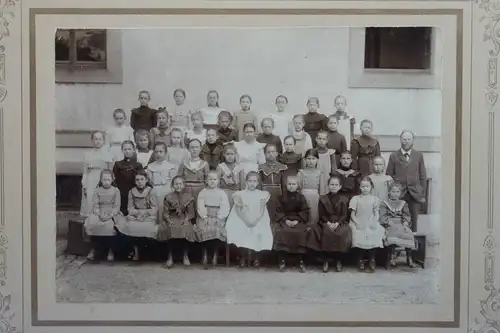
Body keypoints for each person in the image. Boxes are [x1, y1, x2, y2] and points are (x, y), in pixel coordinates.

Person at [226, 171, 273, 268]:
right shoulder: (240, 194)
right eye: (250, 181)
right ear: (246, 182)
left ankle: (256, 257)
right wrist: (246, 221)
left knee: (259, 230)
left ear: (258, 183)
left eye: (254, 181)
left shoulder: (262, 195)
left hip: (258, 218)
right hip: (242, 218)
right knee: (241, 230)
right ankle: (242, 256)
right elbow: (238, 211)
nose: (252, 183)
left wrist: (255, 221)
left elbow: (261, 211)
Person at [385, 130, 427, 232]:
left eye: (409, 139)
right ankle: (399, 243)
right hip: (399, 193)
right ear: (400, 140)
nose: (406, 141)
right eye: (404, 139)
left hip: (414, 193)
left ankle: (412, 244)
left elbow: (422, 175)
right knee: (399, 218)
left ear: (413, 141)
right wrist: (391, 193)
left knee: (413, 219)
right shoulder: (394, 155)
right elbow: (389, 176)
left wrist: (421, 192)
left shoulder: (418, 155)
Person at [116, 170, 158, 261]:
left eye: (142, 179)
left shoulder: (151, 191)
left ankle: (147, 252)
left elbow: (154, 208)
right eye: (137, 180)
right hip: (135, 215)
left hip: (148, 215)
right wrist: (136, 214)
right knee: (129, 226)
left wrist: (144, 213)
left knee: (149, 227)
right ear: (135, 181)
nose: (140, 182)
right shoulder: (131, 191)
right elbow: (130, 208)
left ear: (146, 180)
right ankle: (135, 250)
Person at [312, 176, 351, 272]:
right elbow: (321, 214)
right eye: (332, 184)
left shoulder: (344, 199)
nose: (334, 187)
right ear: (328, 186)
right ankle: (326, 260)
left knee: (342, 232)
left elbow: (344, 214)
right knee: (326, 232)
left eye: (336, 185)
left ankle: (338, 260)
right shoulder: (323, 198)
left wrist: (338, 223)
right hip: (326, 221)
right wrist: (328, 223)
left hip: (339, 221)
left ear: (340, 186)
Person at [84, 169, 124, 262]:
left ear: (112, 180)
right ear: (101, 180)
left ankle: (111, 250)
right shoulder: (97, 190)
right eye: (104, 180)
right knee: (92, 223)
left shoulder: (116, 190)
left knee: (110, 226)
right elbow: (95, 204)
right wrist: (99, 213)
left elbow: (117, 206)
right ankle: (94, 249)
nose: (106, 182)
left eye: (108, 180)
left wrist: (110, 215)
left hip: (112, 212)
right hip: (99, 211)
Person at [157, 176, 196, 268]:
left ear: (184, 185)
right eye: (176, 184)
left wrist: (186, 220)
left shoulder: (189, 197)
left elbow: (191, 212)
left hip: (184, 218)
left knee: (186, 228)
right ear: (173, 185)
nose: (178, 186)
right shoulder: (168, 197)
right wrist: (169, 220)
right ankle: (170, 257)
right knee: (171, 228)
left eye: (180, 184)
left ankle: (185, 256)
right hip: (172, 217)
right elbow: (166, 212)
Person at [273, 176, 310, 272]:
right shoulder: (281, 197)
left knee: (300, 232)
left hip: (298, 220)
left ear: (297, 185)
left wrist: (297, 220)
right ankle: (282, 259)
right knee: (283, 231)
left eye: (293, 184)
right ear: (286, 185)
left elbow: (305, 211)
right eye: (289, 184)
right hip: (285, 220)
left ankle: (300, 260)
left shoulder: (301, 197)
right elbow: (278, 211)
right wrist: (286, 220)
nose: (291, 186)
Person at [349, 177, 385, 272]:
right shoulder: (355, 199)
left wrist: (374, 222)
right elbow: (352, 214)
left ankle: (372, 259)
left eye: (367, 186)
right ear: (360, 187)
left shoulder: (375, 199)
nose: (365, 188)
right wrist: (357, 223)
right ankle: (360, 259)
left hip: (371, 220)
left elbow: (376, 213)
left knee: (375, 232)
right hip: (358, 220)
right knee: (358, 233)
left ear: (371, 187)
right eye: (363, 186)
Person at [195, 171, 230, 268]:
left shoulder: (221, 193)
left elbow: (225, 207)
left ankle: (215, 255)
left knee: (217, 229)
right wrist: (204, 217)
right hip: (205, 215)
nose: (212, 181)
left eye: (214, 179)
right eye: (210, 179)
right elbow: (200, 206)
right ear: (206, 180)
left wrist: (219, 217)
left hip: (217, 216)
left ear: (218, 181)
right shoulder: (203, 192)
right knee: (204, 228)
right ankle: (205, 254)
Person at [379, 181, 417, 268]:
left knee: (408, 233)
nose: (395, 194)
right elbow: (382, 216)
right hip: (390, 223)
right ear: (389, 192)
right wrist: (387, 222)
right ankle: (392, 257)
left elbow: (406, 215)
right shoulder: (384, 203)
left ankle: (409, 258)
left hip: (401, 223)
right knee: (392, 233)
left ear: (400, 193)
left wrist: (405, 222)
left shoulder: (403, 203)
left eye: (397, 192)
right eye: (393, 191)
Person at [80, 131, 113, 217]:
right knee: (90, 198)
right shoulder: (88, 154)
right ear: (92, 140)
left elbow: (110, 170)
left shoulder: (108, 154)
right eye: (95, 139)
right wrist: (84, 184)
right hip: (91, 179)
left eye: (100, 139)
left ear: (103, 140)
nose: (98, 141)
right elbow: (85, 171)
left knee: (102, 199)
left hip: (103, 178)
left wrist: (109, 182)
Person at [258, 144, 287, 232]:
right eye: (268, 152)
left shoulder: (282, 167)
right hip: (265, 195)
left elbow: (284, 184)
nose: (271, 154)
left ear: (277, 153)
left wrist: (284, 197)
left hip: (278, 195)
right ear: (265, 154)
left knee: (277, 216)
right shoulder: (261, 168)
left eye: (273, 152)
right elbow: (259, 184)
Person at [146, 142, 177, 220]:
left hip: (167, 191)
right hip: (155, 192)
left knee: (165, 212)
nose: (158, 154)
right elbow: (149, 181)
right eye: (156, 152)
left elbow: (173, 183)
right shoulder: (150, 167)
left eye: (161, 152)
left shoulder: (170, 167)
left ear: (165, 153)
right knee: (155, 213)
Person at [112, 141, 143, 215]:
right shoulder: (117, 164)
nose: (127, 151)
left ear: (133, 149)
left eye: (129, 149)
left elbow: (141, 180)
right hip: (121, 193)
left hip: (134, 193)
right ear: (122, 150)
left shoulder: (138, 165)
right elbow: (114, 181)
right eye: (125, 149)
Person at [297, 149, 321, 224]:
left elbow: (322, 189)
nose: (311, 161)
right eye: (309, 159)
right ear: (305, 159)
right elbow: (297, 188)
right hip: (303, 197)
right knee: (304, 216)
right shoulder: (301, 173)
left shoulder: (320, 173)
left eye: (313, 159)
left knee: (314, 216)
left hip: (316, 199)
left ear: (317, 160)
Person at [315, 131, 338, 195]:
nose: (321, 141)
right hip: (316, 177)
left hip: (327, 177)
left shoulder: (330, 152)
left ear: (327, 140)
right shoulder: (313, 152)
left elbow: (334, 167)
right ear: (316, 139)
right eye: (319, 139)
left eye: (324, 139)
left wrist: (333, 178)